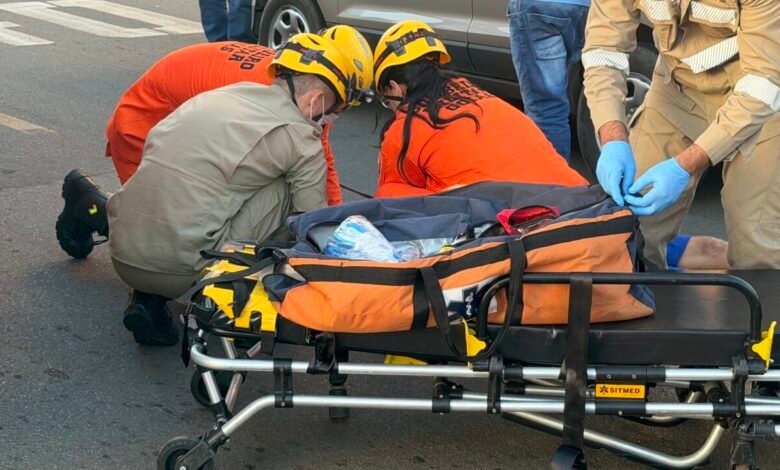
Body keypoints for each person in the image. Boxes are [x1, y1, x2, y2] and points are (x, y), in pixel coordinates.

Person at [70, 33, 369, 347]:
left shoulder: (218, 96)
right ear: (316, 100)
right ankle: (239, 295)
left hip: (122, 254)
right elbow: (313, 223)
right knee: (289, 195)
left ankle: (146, 283)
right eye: (337, 110)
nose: (331, 119)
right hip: (186, 274)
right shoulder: (301, 139)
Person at [56, 26, 374, 259]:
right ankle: (87, 203)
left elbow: (320, 158)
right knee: (160, 229)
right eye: (348, 100)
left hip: (173, 124)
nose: (342, 110)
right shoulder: (274, 94)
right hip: (144, 124)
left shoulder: (298, 79)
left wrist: (337, 224)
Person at [583, 0, 780, 269]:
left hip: (762, 100)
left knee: (756, 242)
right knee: (630, 230)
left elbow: (764, 83)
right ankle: (642, 293)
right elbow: (603, 51)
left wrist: (683, 165)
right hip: (676, 87)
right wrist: (612, 138)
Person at [372, 20, 587, 199]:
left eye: (387, 101)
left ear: (394, 87)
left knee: (389, 192)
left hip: (526, 222)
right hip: (582, 201)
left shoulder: (405, 128)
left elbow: (392, 204)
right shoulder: (479, 95)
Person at [507, 0, 590, 162]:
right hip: (587, 7)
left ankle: (551, 176)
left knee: (547, 109)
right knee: (597, 94)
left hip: (539, 8)